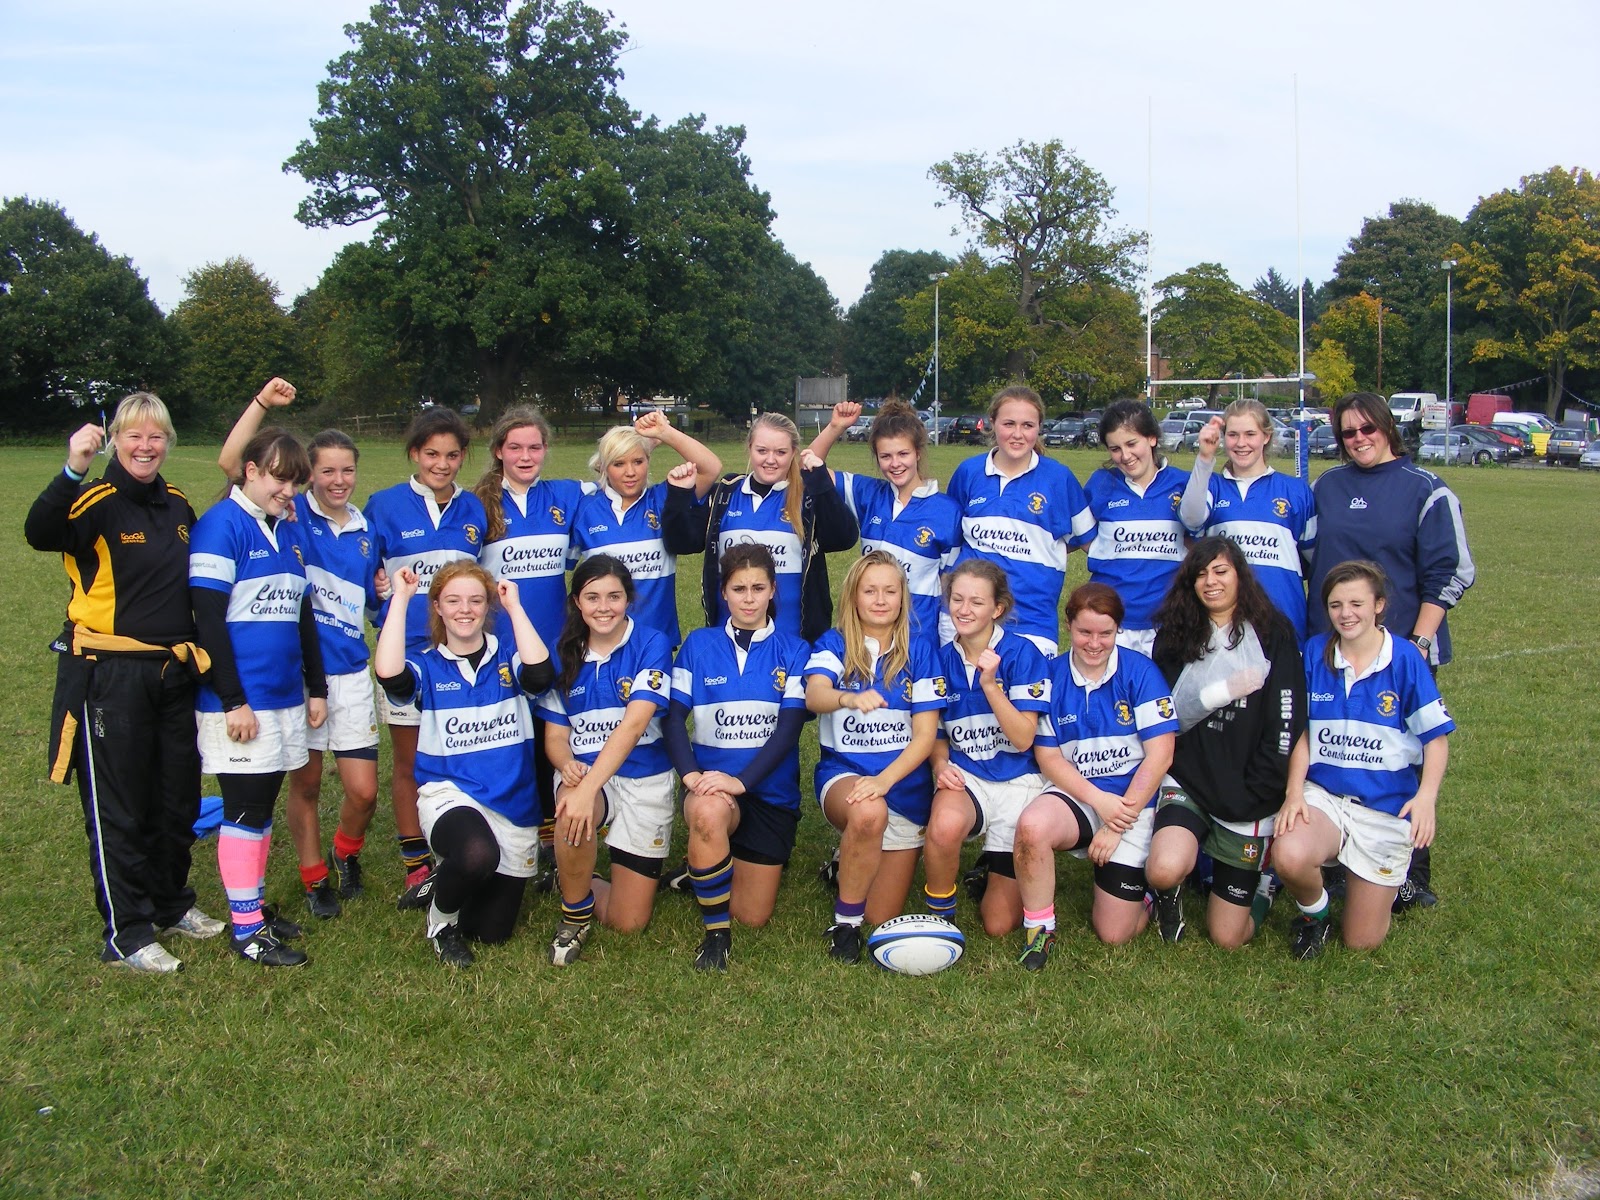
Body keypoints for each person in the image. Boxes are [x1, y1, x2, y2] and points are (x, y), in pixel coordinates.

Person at [26, 391, 225, 973]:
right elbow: (40, 532)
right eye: (134, 436)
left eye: (156, 436)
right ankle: (128, 933)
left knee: (176, 797)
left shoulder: (179, 504)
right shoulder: (94, 499)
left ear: (168, 442)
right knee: (122, 805)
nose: (146, 446)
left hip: (174, 672)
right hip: (109, 674)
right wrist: (72, 467)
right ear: (115, 440)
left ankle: (170, 905)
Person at [1305, 392, 1473, 909]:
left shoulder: (1425, 489)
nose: (1358, 439)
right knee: (1331, 751)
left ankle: (1410, 872)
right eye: (1348, 433)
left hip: (1398, 653)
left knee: (1402, 759)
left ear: (1387, 428)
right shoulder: (1326, 487)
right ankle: (1333, 861)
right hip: (1332, 652)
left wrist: (1418, 643)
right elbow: (1305, 558)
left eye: (1367, 429)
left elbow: (1452, 571)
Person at [217, 384, 380, 918]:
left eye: (347, 471)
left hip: (352, 674)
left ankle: (345, 852)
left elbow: (375, 589)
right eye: (326, 471)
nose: (338, 481)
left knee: (362, 792)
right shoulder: (289, 516)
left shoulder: (365, 528)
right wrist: (262, 403)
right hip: (304, 678)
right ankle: (314, 878)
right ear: (308, 476)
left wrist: (382, 587)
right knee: (306, 784)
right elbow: (231, 462)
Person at [190, 428, 327, 967]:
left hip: (283, 698)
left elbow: (303, 616)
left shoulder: (286, 531)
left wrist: (315, 687)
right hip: (242, 702)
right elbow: (207, 622)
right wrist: (231, 700)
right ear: (248, 471)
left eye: (294, 482)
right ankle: (246, 931)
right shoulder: (221, 525)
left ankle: (254, 908)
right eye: (277, 477)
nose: (287, 489)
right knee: (245, 808)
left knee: (261, 805)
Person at [374, 561, 554, 967]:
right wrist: (400, 599)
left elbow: (541, 676)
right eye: (453, 600)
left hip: (513, 803)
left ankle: (444, 877)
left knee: (492, 931)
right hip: (450, 793)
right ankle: (441, 924)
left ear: (487, 606)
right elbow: (389, 674)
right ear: (437, 607)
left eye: (476, 600)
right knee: (476, 855)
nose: (465, 609)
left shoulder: (509, 657)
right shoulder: (428, 664)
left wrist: (515, 608)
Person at [1273, 560, 1453, 958]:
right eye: (1336, 605)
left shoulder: (1405, 659)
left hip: (1384, 809)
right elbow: (1302, 733)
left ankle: (1383, 881)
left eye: (1356, 603)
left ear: (1378, 606)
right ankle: (1314, 913)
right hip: (1326, 798)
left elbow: (1436, 741)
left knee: (1360, 942)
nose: (1345, 614)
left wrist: (1425, 799)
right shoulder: (1313, 652)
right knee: (1288, 853)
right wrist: (1293, 793)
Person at [1145, 536, 1306, 948]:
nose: (1210, 582)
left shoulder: (1273, 632)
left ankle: (1262, 889)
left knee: (1227, 938)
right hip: (1190, 779)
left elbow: (1287, 717)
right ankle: (1167, 894)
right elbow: (1166, 712)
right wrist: (1223, 689)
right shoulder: (1177, 633)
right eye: (1200, 574)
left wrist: (1265, 783)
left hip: (1250, 789)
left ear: (1240, 576)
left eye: (1220, 571)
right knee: (1163, 867)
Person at [1011, 584, 1178, 968]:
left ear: (1118, 629)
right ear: (1068, 625)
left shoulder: (1140, 671)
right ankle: (1040, 932)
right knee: (1032, 826)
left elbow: (1160, 754)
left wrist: (1117, 823)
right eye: (1085, 632)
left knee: (1114, 933)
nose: (1095, 643)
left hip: (1135, 802)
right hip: (1081, 794)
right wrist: (1097, 801)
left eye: (1105, 633)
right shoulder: (1050, 676)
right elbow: (1049, 758)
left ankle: (1155, 891)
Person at [663, 544, 811, 970]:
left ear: (772, 591)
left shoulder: (795, 650)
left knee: (753, 914)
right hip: (713, 791)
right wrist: (692, 777)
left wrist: (742, 782)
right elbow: (673, 720)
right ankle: (716, 937)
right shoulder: (699, 644)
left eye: (758, 588)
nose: (749, 599)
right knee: (708, 814)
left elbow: (788, 730)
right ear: (723, 593)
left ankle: (699, 870)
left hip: (770, 795)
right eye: (739, 588)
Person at [365, 407, 488, 909]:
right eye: (432, 454)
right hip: (410, 658)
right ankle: (417, 865)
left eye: (452, 454)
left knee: (461, 752)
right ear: (414, 453)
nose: (442, 464)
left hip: (463, 655)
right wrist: (379, 591)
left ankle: (460, 846)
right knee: (410, 760)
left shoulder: (474, 509)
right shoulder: (383, 505)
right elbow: (367, 576)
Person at [804, 551, 946, 962]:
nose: (880, 599)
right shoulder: (835, 643)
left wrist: (886, 781)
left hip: (903, 787)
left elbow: (924, 737)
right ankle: (844, 925)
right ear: (854, 596)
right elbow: (814, 696)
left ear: (903, 597)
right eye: (870, 590)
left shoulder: (921, 651)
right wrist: (847, 696)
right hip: (845, 775)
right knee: (868, 813)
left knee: (882, 914)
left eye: (890, 590)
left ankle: (842, 864)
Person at [474, 407, 593, 882]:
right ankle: (503, 834)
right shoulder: (476, 505)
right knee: (511, 744)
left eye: (535, 446)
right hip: (501, 648)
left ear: (547, 449)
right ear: (499, 451)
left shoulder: (566, 495)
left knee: (552, 740)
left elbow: (619, 476)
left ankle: (549, 840)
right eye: (515, 447)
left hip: (557, 645)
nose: (526, 456)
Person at [537, 556, 675, 965]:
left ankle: (579, 876)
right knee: (571, 811)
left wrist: (589, 784)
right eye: (592, 597)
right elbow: (556, 738)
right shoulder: (561, 654)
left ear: (628, 599)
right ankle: (574, 913)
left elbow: (634, 727)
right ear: (576, 602)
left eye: (614, 596)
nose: (604, 607)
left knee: (628, 921)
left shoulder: (651, 644)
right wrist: (565, 766)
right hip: (588, 777)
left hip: (644, 775)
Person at [920, 560, 1053, 936]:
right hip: (970, 777)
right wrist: (940, 763)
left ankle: (991, 869)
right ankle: (941, 917)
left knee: (998, 924)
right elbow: (936, 731)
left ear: (998, 609)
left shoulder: (1023, 654)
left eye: (977, 602)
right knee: (944, 826)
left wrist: (991, 685)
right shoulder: (940, 658)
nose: (964, 610)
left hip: (1019, 783)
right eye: (957, 599)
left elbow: (1024, 738)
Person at [681, 411, 858, 644]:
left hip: (795, 642)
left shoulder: (807, 497)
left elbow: (844, 538)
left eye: (781, 452)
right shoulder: (726, 493)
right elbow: (684, 542)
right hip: (730, 640)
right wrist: (678, 494)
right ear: (750, 448)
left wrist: (823, 483)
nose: (770, 459)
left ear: (793, 453)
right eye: (762, 451)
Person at [946, 386, 1094, 655]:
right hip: (968, 619)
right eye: (1009, 424)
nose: (1017, 434)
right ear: (992, 423)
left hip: (1032, 623)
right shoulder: (968, 473)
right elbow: (951, 539)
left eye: (1027, 425)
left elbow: (1087, 542)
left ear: (1039, 427)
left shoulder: (1059, 478)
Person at [806, 399, 958, 643]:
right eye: (885, 456)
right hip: (866, 638)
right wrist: (836, 427)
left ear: (918, 452)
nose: (895, 464)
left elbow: (951, 587)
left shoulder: (948, 511)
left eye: (903, 454)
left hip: (919, 639)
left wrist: (948, 644)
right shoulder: (868, 493)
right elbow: (808, 466)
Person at [571, 411, 721, 647]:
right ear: (603, 467)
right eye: (619, 464)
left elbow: (710, 468)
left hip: (657, 639)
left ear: (648, 461)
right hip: (601, 640)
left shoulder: (664, 499)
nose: (630, 472)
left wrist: (666, 433)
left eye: (638, 461)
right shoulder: (585, 509)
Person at [1179, 399, 1317, 640]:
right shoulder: (1212, 486)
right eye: (1233, 435)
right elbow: (1190, 518)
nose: (1241, 443)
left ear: (1266, 436)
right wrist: (1204, 458)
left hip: (1284, 619)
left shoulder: (1295, 490)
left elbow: (1314, 558)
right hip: (1224, 624)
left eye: (1250, 434)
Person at [1082, 399, 1190, 654]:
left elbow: (1199, 543)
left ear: (1151, 438)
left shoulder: (1183, 484)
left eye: (1132, 444)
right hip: (1112, 620)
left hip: (1168, 621)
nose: (1125, 456)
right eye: (1115, 448)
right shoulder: (1101, 484)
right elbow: (1077, 537)